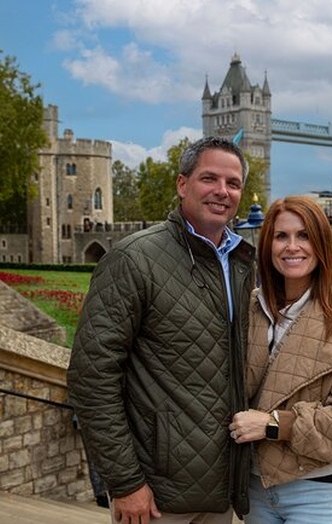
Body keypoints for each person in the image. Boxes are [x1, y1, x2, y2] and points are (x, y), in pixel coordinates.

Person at [67, 136, 256, 524]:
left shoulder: (243, 262)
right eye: (209, 179)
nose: (222, 191)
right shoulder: (134, 258)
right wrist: (124, 482)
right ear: (182, 184)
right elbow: (92, 377)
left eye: (233, 183)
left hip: (221, 492)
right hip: (155, 495)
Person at [229, 196, 332, 524]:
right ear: (267, 245)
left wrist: (274, 424)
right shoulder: (251, 309)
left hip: (317, 486)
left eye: (304, 236)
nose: (292, 246)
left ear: (322, 245)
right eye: (281, 236)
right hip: (255, 483)